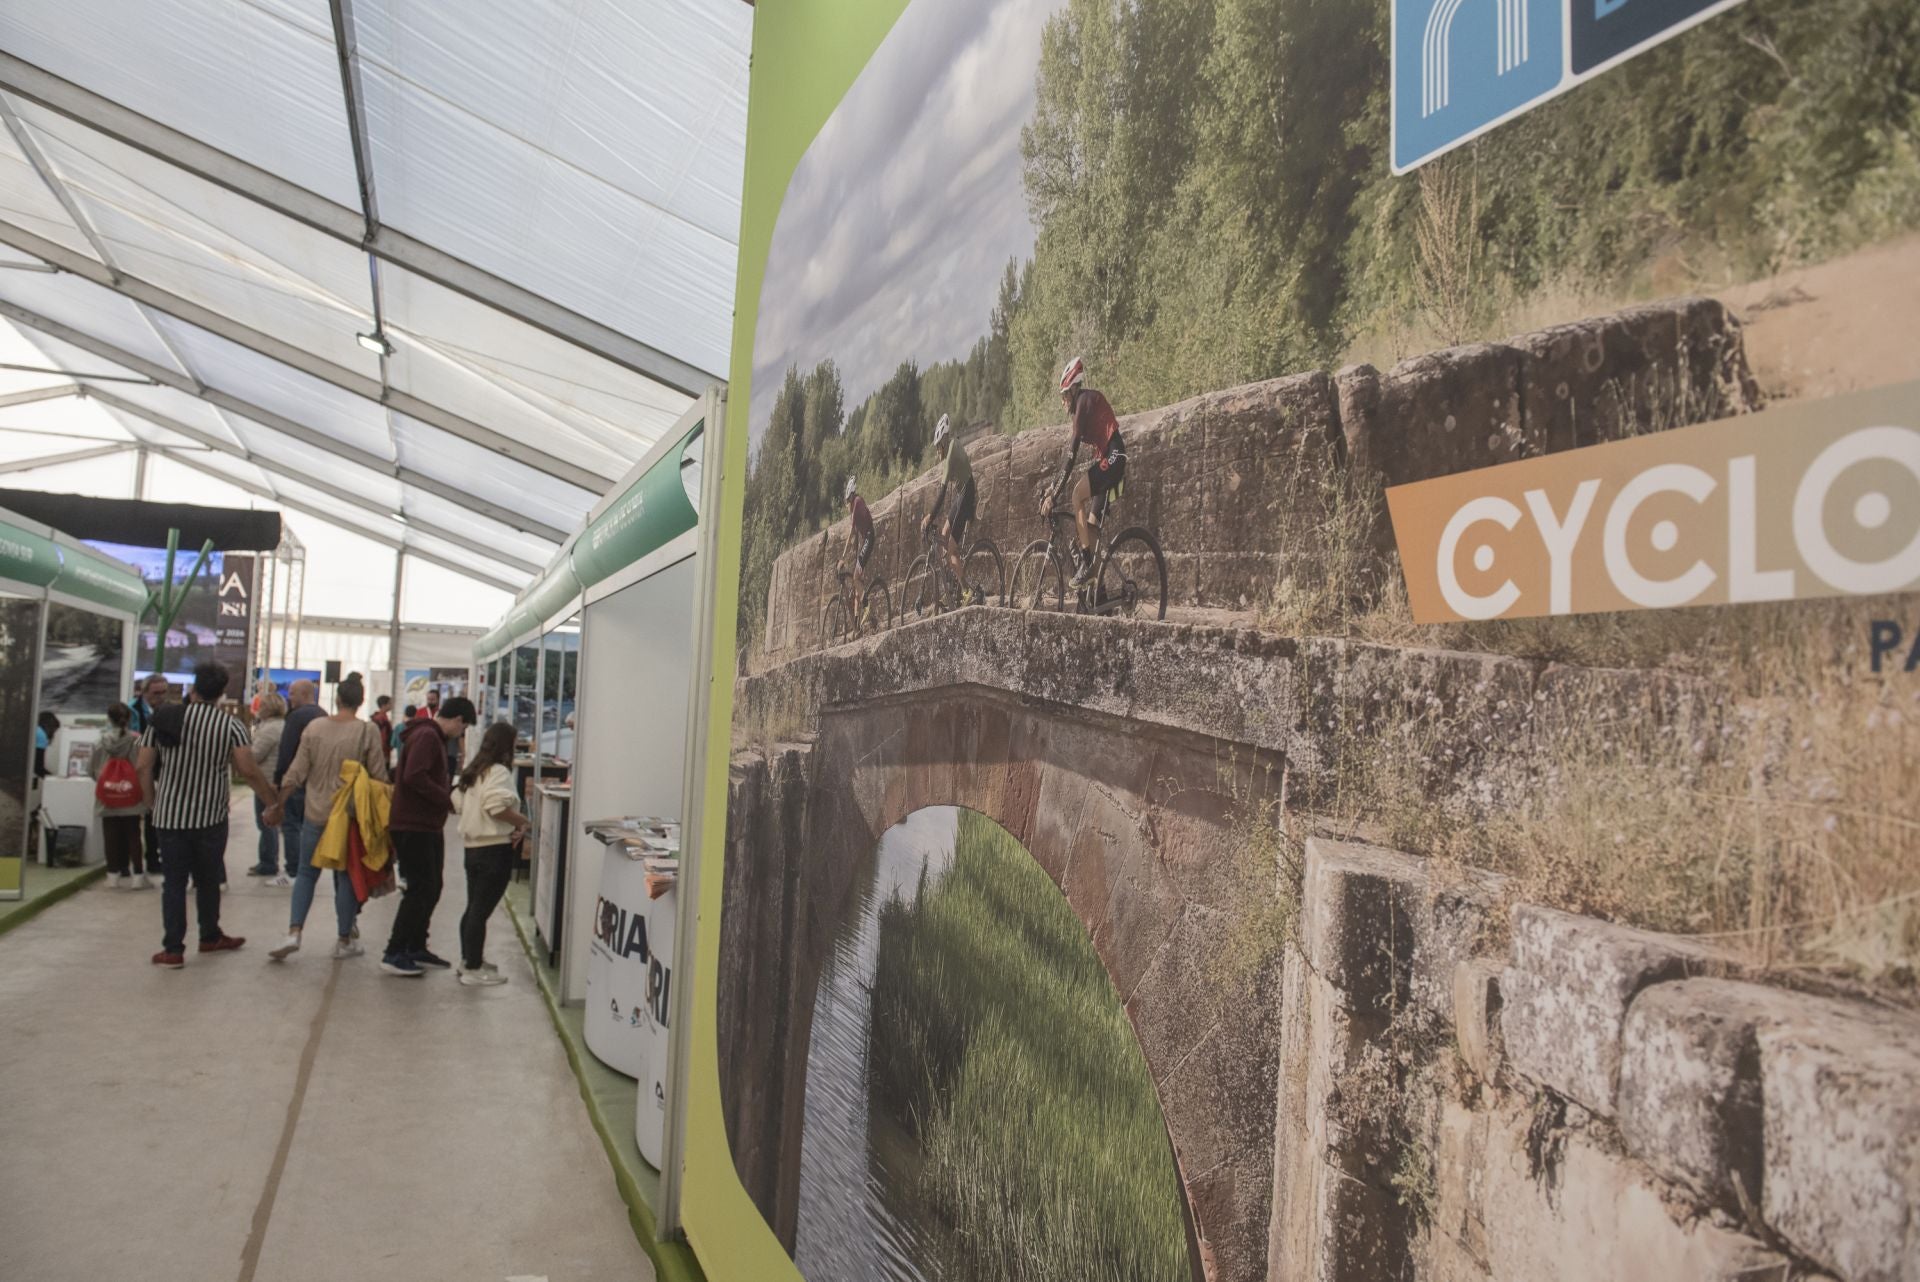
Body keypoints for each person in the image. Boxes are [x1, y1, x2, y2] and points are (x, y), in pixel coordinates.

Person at [136, 663, 280, 968]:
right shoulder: (231, 725)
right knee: (208, 878)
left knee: (173, 883)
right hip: (210, 817)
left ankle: (173, 949)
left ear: (194, 687)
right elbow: (248, 770)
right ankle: (210, 935)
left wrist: (151, 803)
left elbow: (143, 765)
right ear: (223, 692)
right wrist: (271, 803)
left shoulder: (162, 719)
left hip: (169, 817)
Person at [269, 675, 390, 963]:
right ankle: (344, 939)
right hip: (348, 817)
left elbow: (296, 771)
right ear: (361, 702)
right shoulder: (367, 730)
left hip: (315, 812)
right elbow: (378, 774)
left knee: (306, 873)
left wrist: (278, 804)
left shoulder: (314, 727)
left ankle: (294, 932)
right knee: (346, 875)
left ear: (336, 700)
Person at [385, 695, 476, 976]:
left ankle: (415, 945)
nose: (460, 735)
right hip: (414, 825)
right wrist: (446, 798)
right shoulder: (426, 736)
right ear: (458, 720)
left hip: (425, 825)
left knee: (432, 887)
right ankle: (394, 951)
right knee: (419, 889)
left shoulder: (429, 735)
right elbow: (414, 775)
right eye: (463, 729)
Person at [452, 721, 528, 986]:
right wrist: (522, 821)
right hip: (494, 850)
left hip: (472, 849)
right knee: (480, 910)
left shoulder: (475, 770)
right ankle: (473, 967)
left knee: (474, 907)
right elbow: (496, 806)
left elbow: (458, 802)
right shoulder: (498, 772)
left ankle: (469, 959)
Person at [1042, 356, 1127, 585]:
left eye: (1063, 396)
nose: (1062, 403)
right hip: (1108, 458)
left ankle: (1088, 564)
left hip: (1115, 456)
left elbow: (1070, 457)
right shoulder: (1082, 404)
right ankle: (1101, 599)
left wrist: (1055, 495)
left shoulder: (1083, 402)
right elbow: (1066, 458)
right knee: (1089, 530)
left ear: (1072, 390)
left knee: (1076, 495)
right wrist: (1051, 487)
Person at [90, 702, 150, 889]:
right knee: (133, 834)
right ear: (130, 719)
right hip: (130, 793)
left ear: (109, 719)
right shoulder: (137, 740)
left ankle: (112, 875)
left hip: (108, 793)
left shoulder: (100, 741)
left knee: (110, 835)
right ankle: (138, 875)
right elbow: (142, 767)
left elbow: (92, 769)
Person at [920, 414, 978, 605]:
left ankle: (967, 591)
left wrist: (930, 516)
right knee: (943, 534)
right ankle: (953, 587)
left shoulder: (952, 448)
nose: (937, 452)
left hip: (967, 494)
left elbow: (943, 491)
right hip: (962, 493)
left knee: (951, 549)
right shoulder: (950, 447)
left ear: (943, 442)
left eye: (938, 447)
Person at [276, 679, 323, 885]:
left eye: (293, 693)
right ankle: (308, 868)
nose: (289, 697)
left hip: (296, 781)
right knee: (309, 826)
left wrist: (280, 781)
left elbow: (286, 751)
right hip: (316, 782)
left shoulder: (295, 717)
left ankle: (293, 870)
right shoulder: (323, 715)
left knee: (291, 826)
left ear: (304, 694)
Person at [246, 692, 291, 881]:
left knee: (266, 823)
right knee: (271, 822)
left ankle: (268, 863)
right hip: (276, 781)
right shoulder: (283, 726)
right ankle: (268, 860)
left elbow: (255, 755)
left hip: (266, 782)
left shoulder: (269, 729)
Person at [842, 475, 878, 630]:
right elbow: (854, 539)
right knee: (858, 587)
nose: (847, 505)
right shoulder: (857, 503)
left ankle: (868, 608)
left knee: (856, 578)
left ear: (851, 496)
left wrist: (842, 558)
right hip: (867, 540)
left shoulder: (857, 503)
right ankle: (858, 626)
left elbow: (850, 534)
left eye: (847, 501)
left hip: (869, 539)